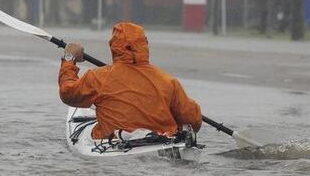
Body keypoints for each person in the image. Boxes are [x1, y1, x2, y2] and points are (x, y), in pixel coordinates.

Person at [58, 22, 202, 139]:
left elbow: (68, 93)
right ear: (144, 44)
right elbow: (193, 121)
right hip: (160, 141)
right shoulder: (168, 82)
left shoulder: (97, 77)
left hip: (113, 142)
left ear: (114, 47)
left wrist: (69, 59)